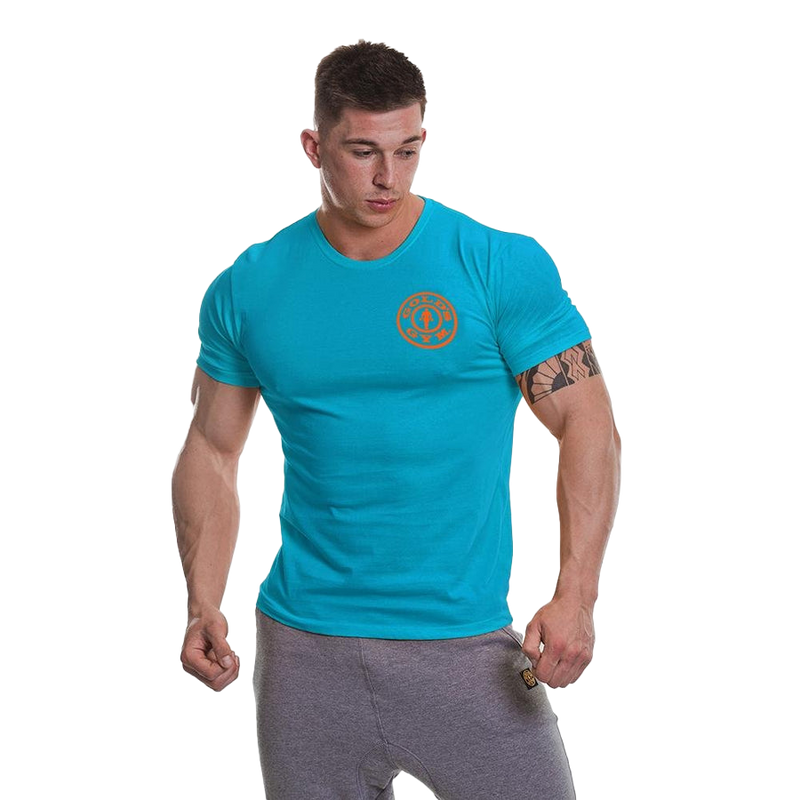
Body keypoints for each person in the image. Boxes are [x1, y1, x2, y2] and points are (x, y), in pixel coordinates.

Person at [171, 36, 623, 800]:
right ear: (313, 147)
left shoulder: (497, 263)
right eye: (363, 152)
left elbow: (589, 426)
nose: (389, 176)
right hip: (304, 650)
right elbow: (212, 448)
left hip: (467, 646)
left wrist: (577, 595)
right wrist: (202, 601)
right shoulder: (247, 287)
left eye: (408, 150)